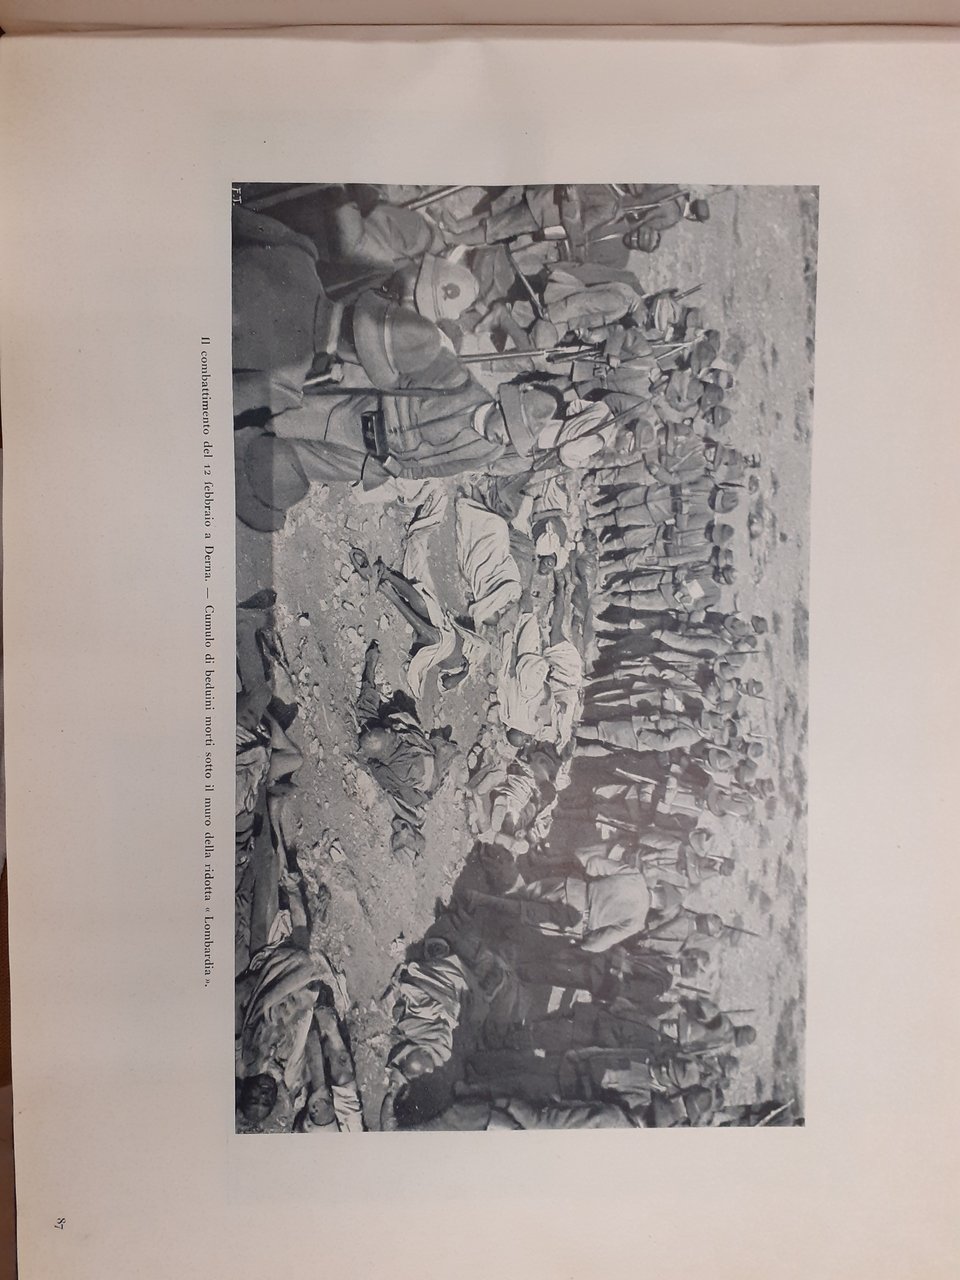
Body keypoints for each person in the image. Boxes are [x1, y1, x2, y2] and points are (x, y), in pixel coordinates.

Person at [355, 640, 460, 860]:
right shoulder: (398, 753)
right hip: (416, 754)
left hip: (420, 765)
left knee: (367, 715)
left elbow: (375, 765)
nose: (390, 730)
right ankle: (371, 667)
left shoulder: (396, 760)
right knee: (371, 719)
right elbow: (379, 766)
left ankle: (370, 670)